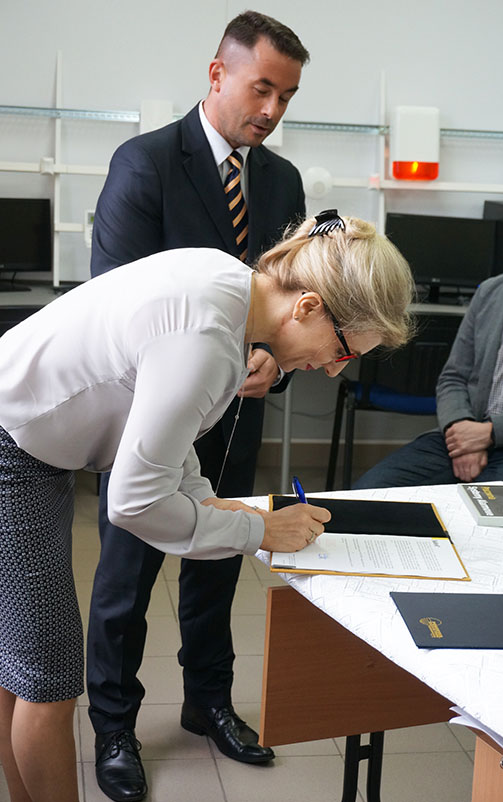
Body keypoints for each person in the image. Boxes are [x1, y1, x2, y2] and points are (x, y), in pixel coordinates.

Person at [0, 212, 414, 802]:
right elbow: (135, 502)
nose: (331, 369)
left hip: (28, 438)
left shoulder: (226, 285)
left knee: (21, 666)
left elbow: (166, 442)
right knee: (49, 683)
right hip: (14, 449)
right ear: (308, 307)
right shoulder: (208, 341)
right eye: (343, 351)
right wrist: (258, 532)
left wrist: (224, 510)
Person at [86, 11, 309, 801]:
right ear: (217, 74)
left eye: (287, 96)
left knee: (217, 563)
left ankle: (207, 702)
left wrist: (270, 359)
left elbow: (290, 302)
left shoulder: (280, 182)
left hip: (237, 412)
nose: (272, 110)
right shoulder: (146, 164)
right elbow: (113, 301)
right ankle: (114, 725)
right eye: (262, 89)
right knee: (128, 575)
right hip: (152, 414)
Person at [353, 186, 503, 493]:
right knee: (370, 492)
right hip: (462, 434)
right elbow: (453, 377)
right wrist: (462, 432)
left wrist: (489, 434)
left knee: (488, 510)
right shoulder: (492, 291)